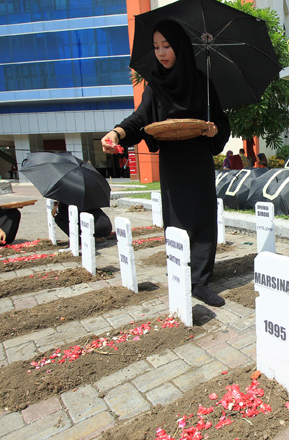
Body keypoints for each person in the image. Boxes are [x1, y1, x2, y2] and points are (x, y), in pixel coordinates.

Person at [101, 19, 230, 307]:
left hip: (197, 160)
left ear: (180, 47)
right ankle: (180, 274)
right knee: (177, 220)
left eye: (167, 46)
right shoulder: (154, 85)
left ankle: (200, 282)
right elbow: (140, 119)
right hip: (172, 162)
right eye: (156, 47)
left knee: (202, 220)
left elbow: (222, 122)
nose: (161, 52)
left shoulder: (202, 82)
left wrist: (214, 130)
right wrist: (116, 133)